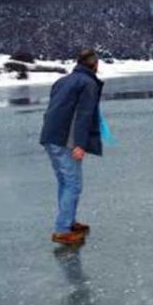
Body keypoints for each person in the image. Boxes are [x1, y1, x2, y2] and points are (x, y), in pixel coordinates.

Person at [39, 48, 104, 245]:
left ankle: (68, 222)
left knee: (65, 182)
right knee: (73, 184)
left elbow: (56, 109)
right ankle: (62, 230)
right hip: (65, 140)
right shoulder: (87, 83)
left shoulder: (62, 81)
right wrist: (79, 144)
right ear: (94, 64)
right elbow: (83, 115)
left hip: (51, 136)